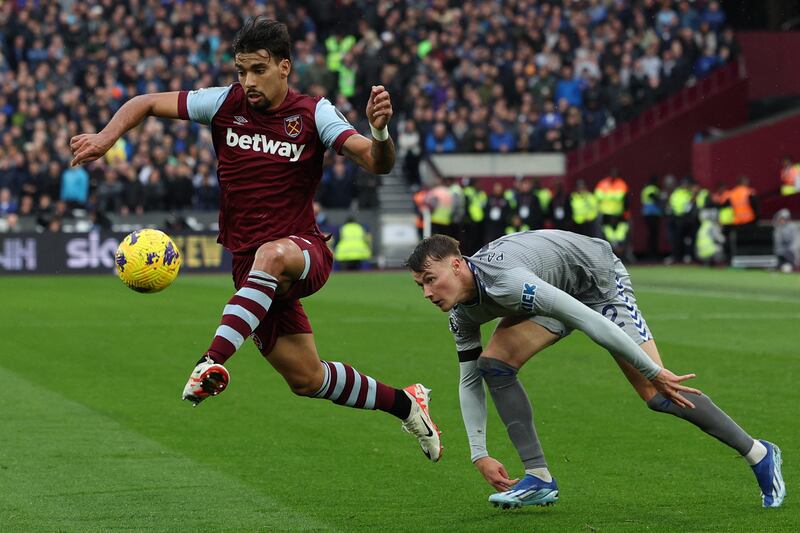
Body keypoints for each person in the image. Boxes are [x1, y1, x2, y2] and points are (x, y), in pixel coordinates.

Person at [69, 16, 441, 463]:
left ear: (285, 66)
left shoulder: (313, 113)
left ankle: (212, 360)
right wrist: (105, 138)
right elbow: (145, 102)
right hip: (250, 272)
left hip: (301, 251)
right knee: (307, 379)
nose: (247, 81)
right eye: (240, 71)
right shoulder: (224, 104)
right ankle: (406, 403)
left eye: (257, 70)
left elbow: (376, 163)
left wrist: (379, 132)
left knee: (272, 253)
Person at [405, 232, 784, 509]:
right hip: (551, 290)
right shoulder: (462, 315)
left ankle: (759, 453)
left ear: (456, 264)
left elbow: (587, 319)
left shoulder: (509, 281)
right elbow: (469, 380)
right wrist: (478, 453)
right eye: (420, 285)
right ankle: (538, 478)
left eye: (431, 279)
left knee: (657, 393)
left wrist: (653, 370)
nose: (427, 293)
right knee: (494, 366)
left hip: (598, 282)